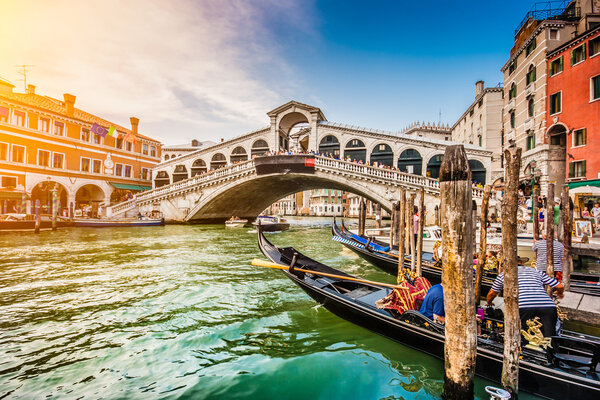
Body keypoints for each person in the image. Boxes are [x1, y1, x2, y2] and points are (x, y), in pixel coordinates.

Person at [486, 262, 564, 338]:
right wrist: (560, 294)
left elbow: (492, 293)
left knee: (526, 334)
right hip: (548, 306)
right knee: (549, 334)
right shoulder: (536, 271)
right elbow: (560, 286)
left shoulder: (504, 275)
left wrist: (489, 302)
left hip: (524, 306)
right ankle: (551, 349)